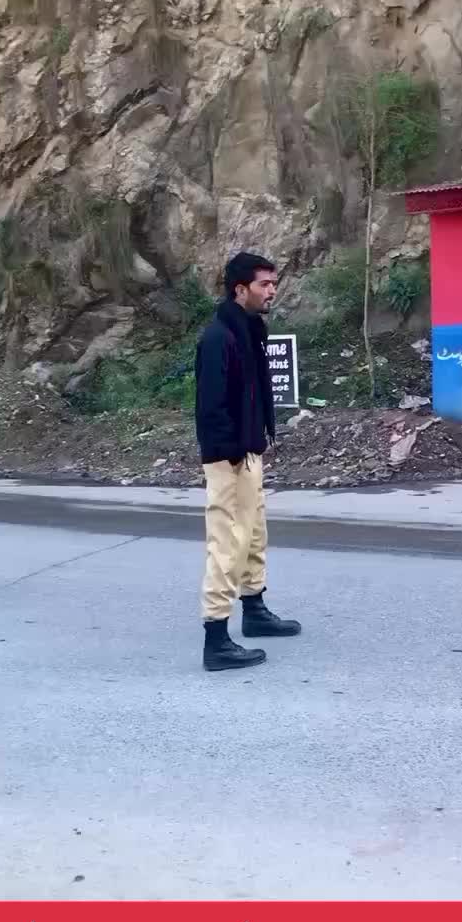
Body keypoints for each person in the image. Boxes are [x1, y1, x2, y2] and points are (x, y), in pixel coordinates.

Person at [195, 251, 301, 672]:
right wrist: (233, 454)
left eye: (274, 283)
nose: (272, 291)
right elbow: (210, 408)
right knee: (228, 542)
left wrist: (258, 442)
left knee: (254, 535)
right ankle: (216, 640)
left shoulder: (250, 330)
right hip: (230, 457)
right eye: (264, 284)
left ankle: (254, 612)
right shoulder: (219, 337)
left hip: (249, 451)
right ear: (241, 289)